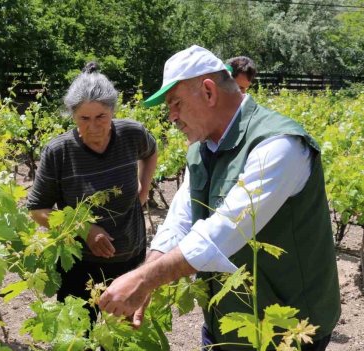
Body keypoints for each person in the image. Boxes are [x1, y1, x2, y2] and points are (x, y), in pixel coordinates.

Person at [98, 45, 340, 351]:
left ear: (209, 92)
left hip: (287, 331)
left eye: (175, 104)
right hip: (225, 324)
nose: (171, 116)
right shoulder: (202, 148)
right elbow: (182, 217)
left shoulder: (278, 146)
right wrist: (149, 271)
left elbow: (224, 232)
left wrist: (144, 279)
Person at [26, 62, 158, 322]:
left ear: (113, 112)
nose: (94, 126)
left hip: (129, 263)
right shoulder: (59, 152)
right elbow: (38, 210)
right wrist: (83, 230)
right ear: (73, 116)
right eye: (84, 118)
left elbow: (151, 151)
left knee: (121, 336)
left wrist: (143, 189)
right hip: (79, 268)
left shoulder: (131, 134)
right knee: (80, 335)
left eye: (101, 117)